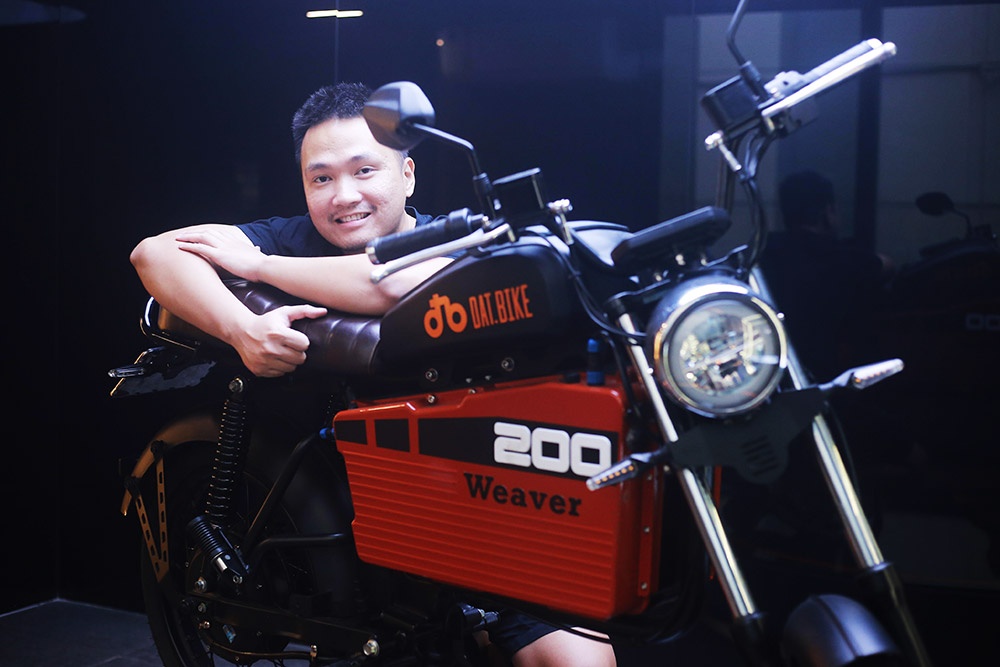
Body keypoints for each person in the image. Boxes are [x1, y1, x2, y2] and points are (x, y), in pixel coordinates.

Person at [130, 82, 616, 667]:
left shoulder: (456, 236)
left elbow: (394, 283)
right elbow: (153, 254)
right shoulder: (293, 236)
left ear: (407, 174)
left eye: (365, 170)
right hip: (349, 522)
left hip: (476, 509)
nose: (344, 196)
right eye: (321, 178)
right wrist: (242, 329)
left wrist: (261, 266)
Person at [759, 169, 893, 381]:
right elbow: (886, 265)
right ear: (827, 212)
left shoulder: (764, 252)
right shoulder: (839, 257)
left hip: (770, 373)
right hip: (827, 377)